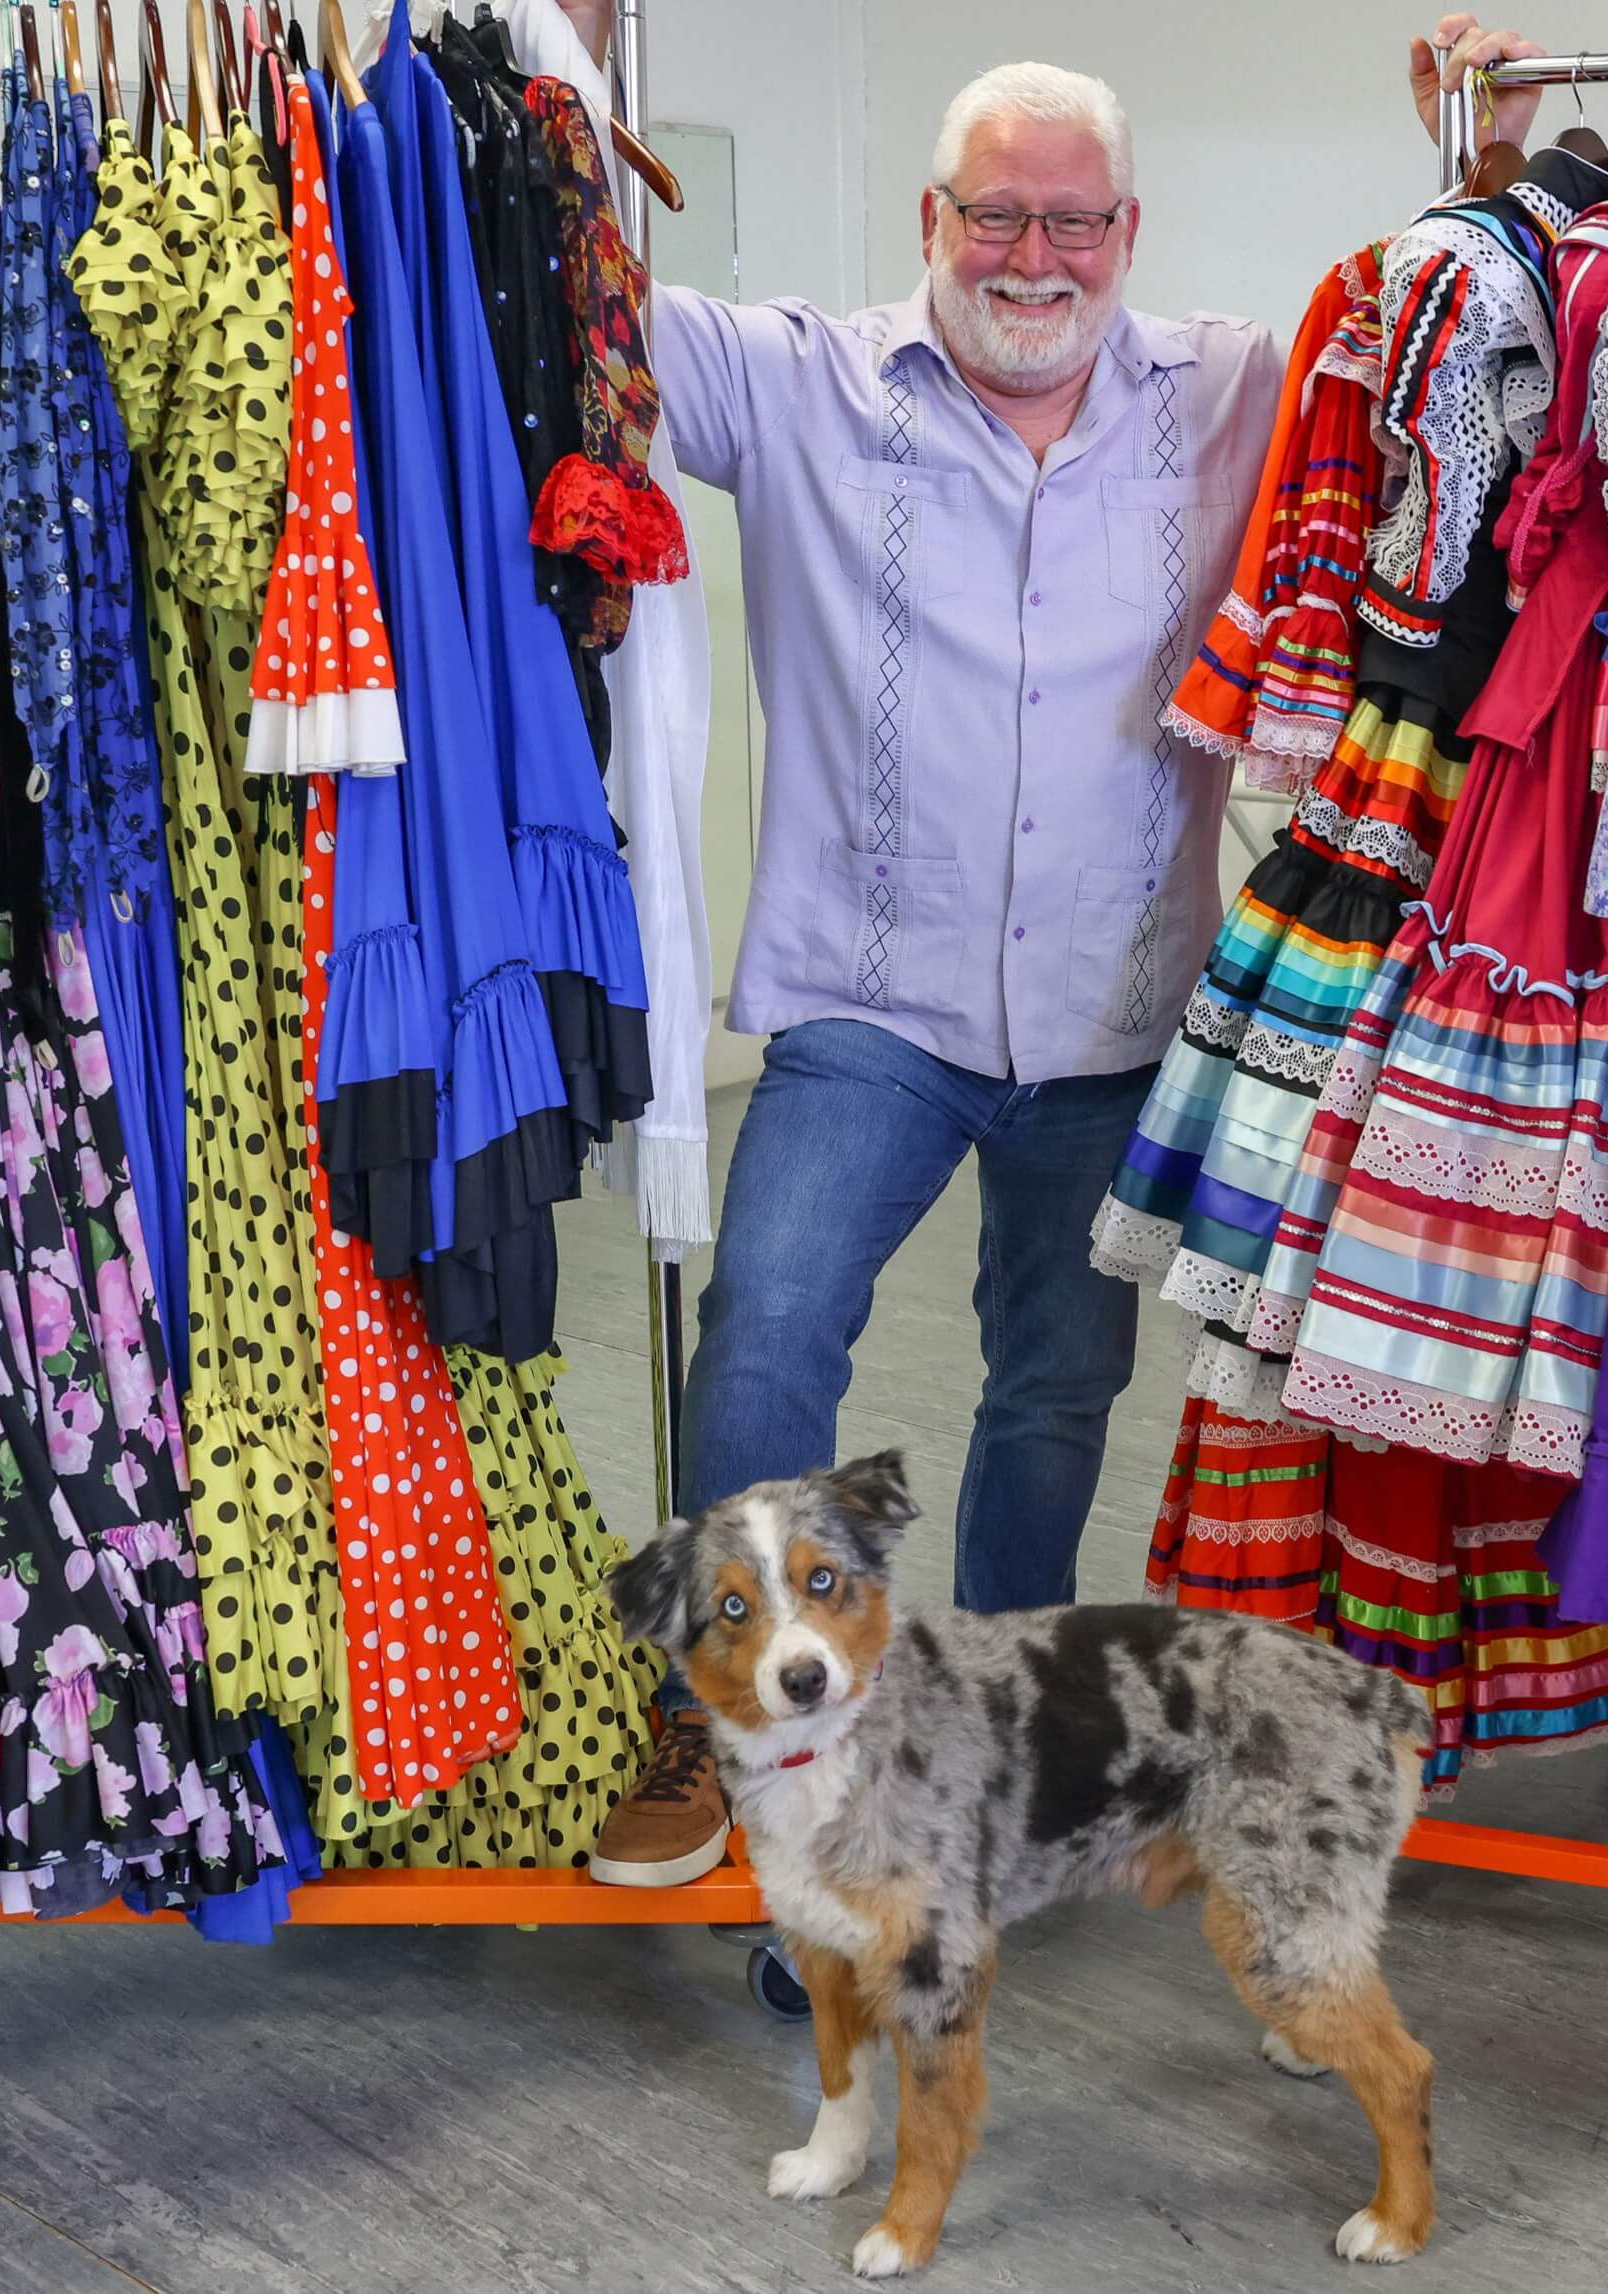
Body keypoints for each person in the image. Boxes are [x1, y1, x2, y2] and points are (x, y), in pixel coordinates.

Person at [544, 28, 1292, 1885]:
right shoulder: (802, 380)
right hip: (868, 1000)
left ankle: (1000, 1716)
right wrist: (550, 54)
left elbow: (1421, 363)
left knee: (1056, 1378)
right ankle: (727, 1705)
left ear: (1126, 230)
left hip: (1117, 1009)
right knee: (767, 1325)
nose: (1033, 257)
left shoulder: (1229, 390)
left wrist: (1480, 155)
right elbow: (582, 281)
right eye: (994, 216)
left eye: (1072, 222)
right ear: (932, 217)